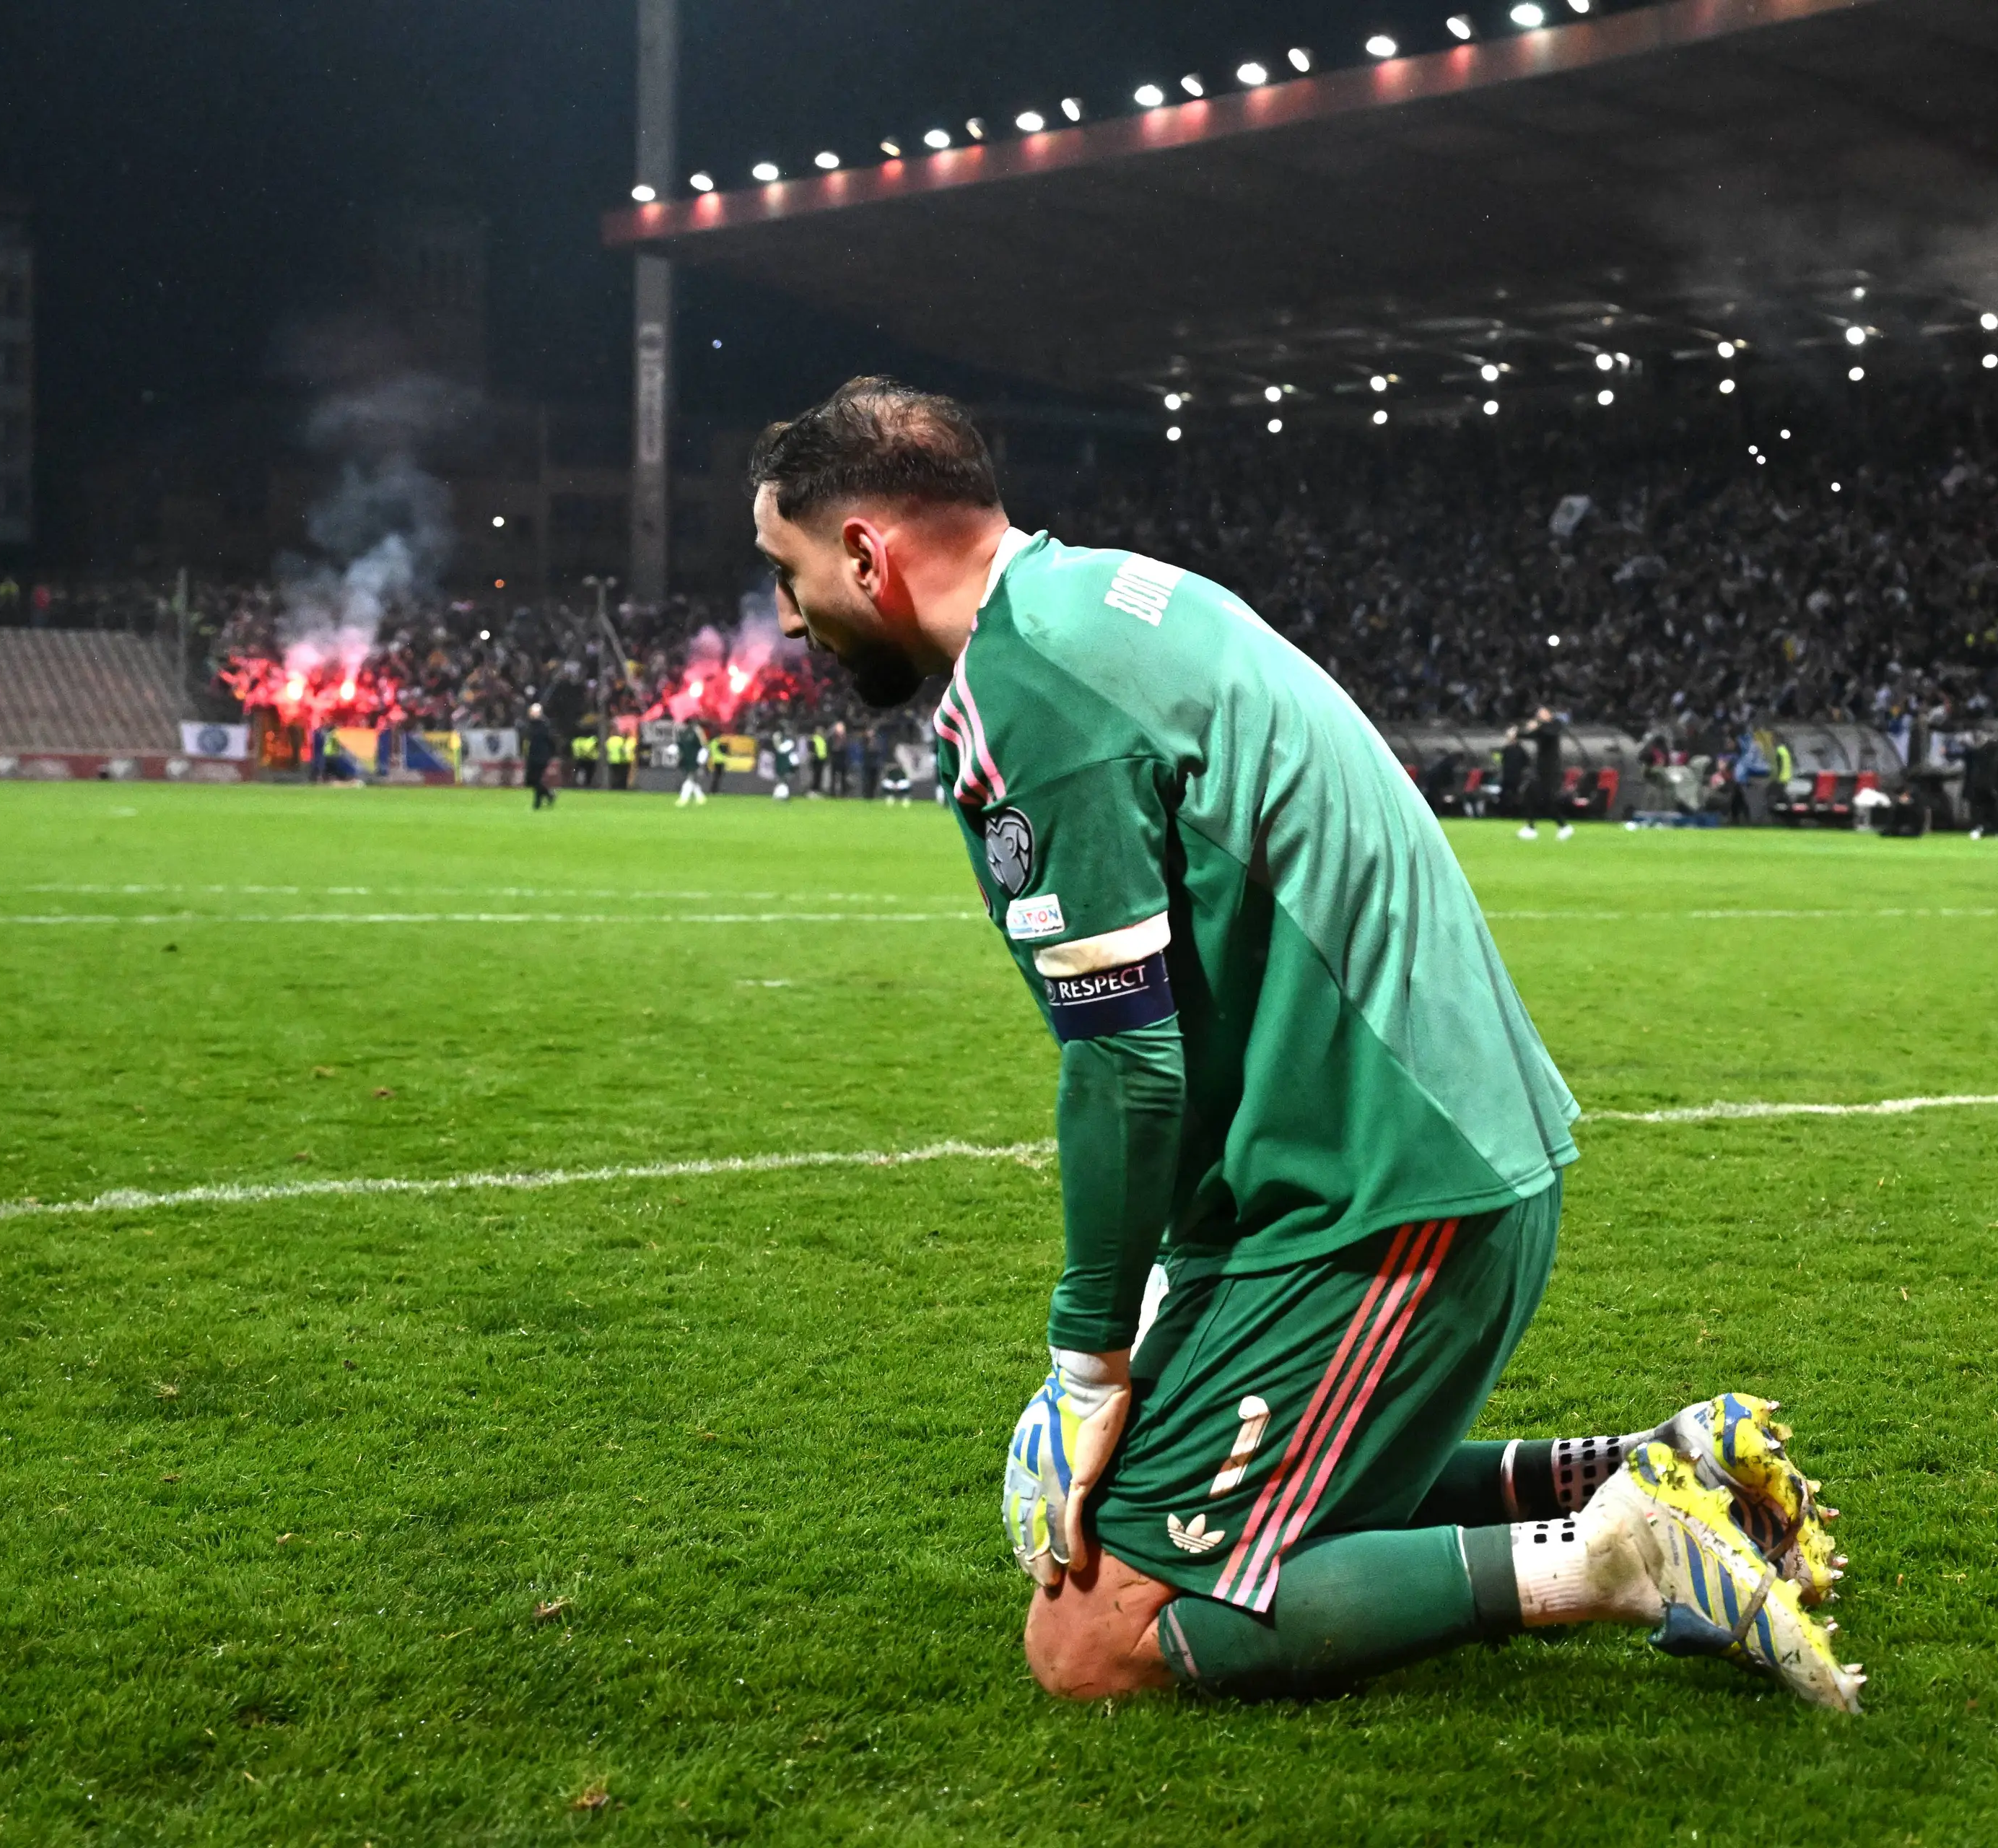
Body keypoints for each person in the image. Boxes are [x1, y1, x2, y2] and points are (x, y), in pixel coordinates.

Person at [748, 376, 1860, 1710]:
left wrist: (1085, 1362)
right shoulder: (1109, 594)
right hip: (1415, 1153)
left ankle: (1623, 1560)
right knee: (1148, 1496)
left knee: (1092, 1638)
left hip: (1378, 1192)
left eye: (787, 569)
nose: (786, 611)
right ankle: (1644, 1466)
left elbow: (1124, 1062)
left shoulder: (1027, 683)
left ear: (865, 551)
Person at [1519, 705, 1571, 840]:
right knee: (1530, 794)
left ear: (1550, 714)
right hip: (1540, 769)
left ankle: (1563, 826)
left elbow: (1548, 732)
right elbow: (1528, 735)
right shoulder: (1541, 729)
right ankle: (1531, 827)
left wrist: (1536, 727)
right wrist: (1518, 732)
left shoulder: (1555, 725)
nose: (1540, 715)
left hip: (1551, 770)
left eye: (1542, 712)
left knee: (1548, 799)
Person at [520, 702, 557, 810]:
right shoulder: (531, 725)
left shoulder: (543, 726)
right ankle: (548, 795)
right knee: (532, 780)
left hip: (541, 757)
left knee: (536, 780)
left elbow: (550, 741)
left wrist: (549, 754)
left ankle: (537, 803)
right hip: (533, 756)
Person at [675, 718, 708, 808]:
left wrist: (702, 759)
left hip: (694, 759)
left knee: (690, 778)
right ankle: (701, 797)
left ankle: (684, 798)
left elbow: (703, 745)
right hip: (687, 759)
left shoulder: (696, 732)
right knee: (693, 779)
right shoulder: (685, 733)